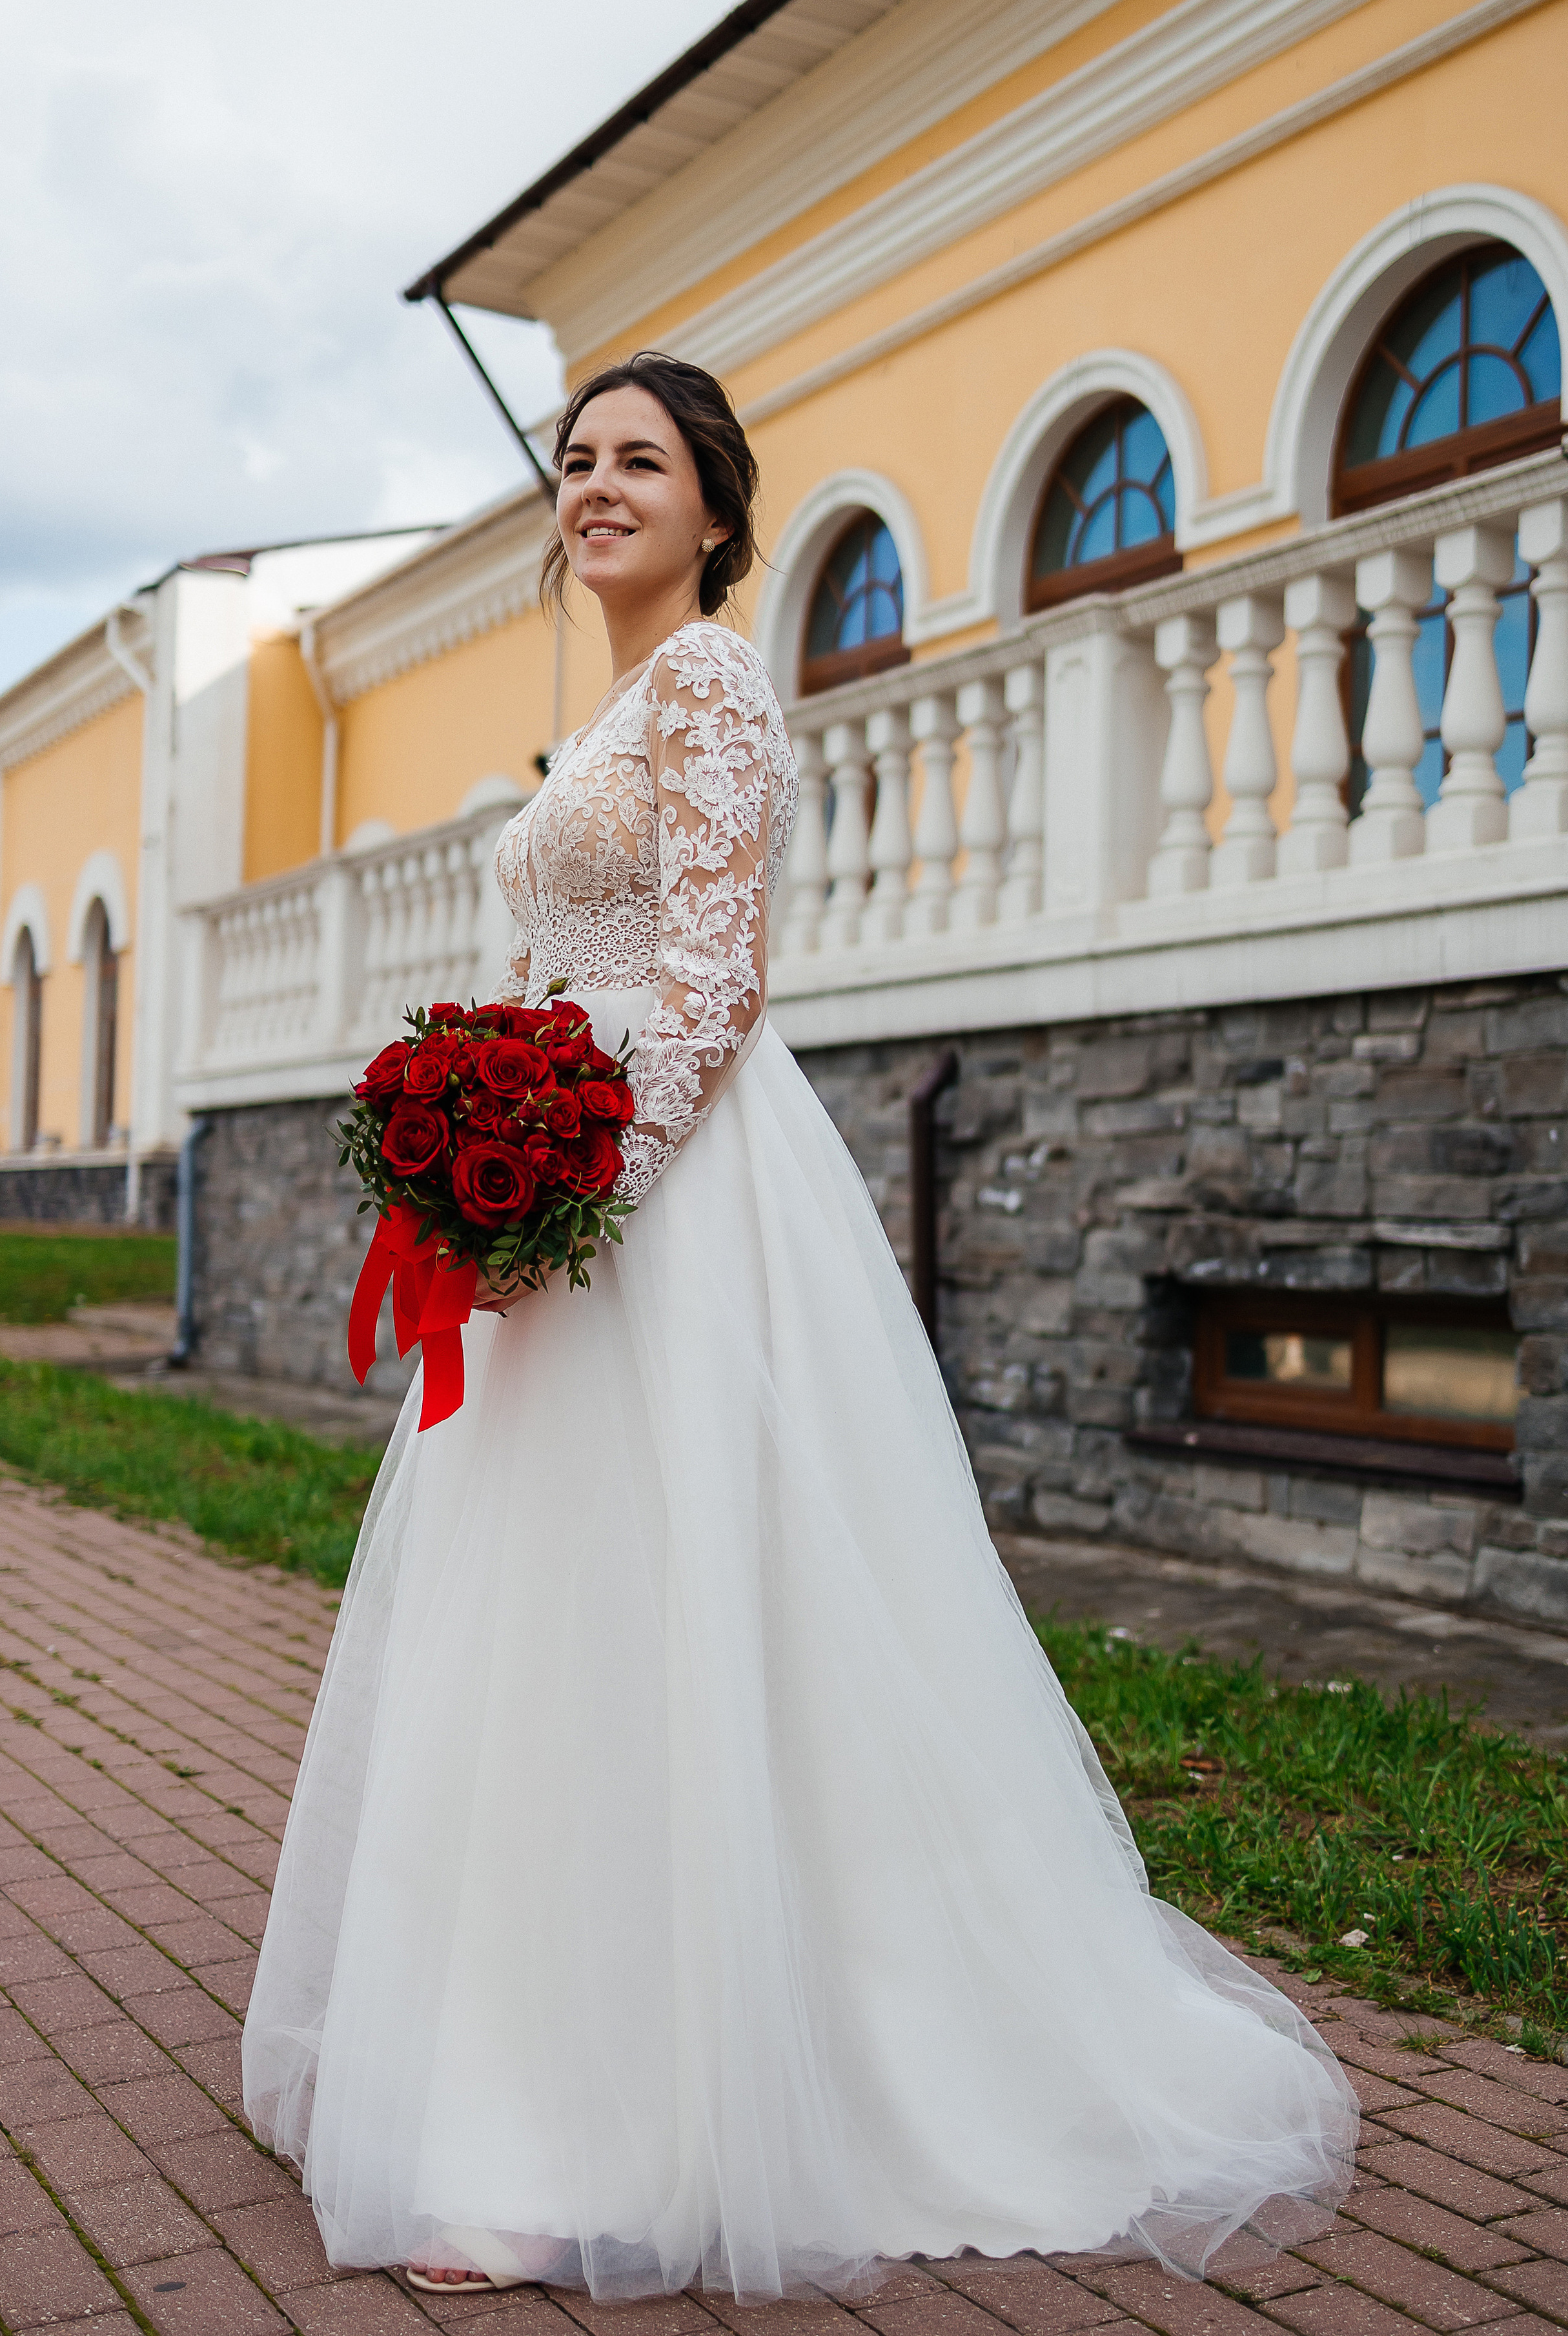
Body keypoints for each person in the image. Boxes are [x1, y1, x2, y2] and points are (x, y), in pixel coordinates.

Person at [241, 353, 1356, 2301]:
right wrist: (466, 1139)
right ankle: (514, 2061)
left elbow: (718, 973)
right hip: (557, 1207)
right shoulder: (597, 720)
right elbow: (546, 967)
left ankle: (633, 2112)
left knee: (672, 1614)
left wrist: (576, 1202)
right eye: (575, 461)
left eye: (637, 462)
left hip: (667, 1207)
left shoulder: (713, 683)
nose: (594, 487)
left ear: (714, 510)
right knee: (544, 1634)